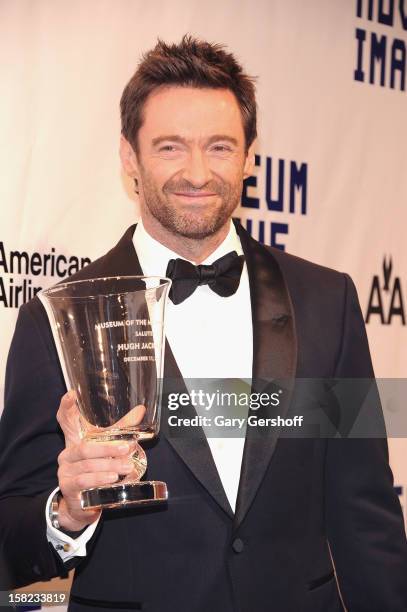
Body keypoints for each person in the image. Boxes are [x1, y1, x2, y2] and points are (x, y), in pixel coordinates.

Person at [0, 35, 406, 612]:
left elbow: (366, 512)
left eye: (219, 147)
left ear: (249, 157)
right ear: (128, 156)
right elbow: (11, 525)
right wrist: (66, 512)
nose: (197, 173)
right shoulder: (57, 318)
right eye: (170, 147)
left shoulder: (328, 300)